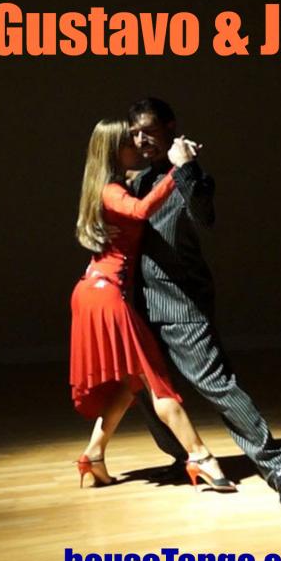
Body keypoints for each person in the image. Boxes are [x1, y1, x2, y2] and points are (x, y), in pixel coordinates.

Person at [126, 97, 281, 506]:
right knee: (146, 390)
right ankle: (184, 456)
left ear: (170, 127)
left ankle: (279, 464)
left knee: (217, 385)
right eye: (135, 133)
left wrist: (186, 166)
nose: (141, 140)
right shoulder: (136, 182)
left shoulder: (191, 176)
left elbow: (204, 215)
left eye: (148, 130)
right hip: (140, 307)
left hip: (181, 304)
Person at [69, 119, 236, 493]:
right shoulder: (111, 190)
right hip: (106, 295)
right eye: (130, 141)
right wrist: (179, 168)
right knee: (157, 382)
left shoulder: (110, 186)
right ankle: (201, 456)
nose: (139, 145)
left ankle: (93, 456)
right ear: (115, 151)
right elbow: (143, 210)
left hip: (95, 290)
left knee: (132, 383)